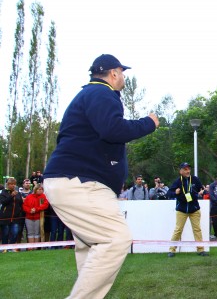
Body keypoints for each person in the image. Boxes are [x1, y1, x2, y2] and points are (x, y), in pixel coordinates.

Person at [43, 54, 160, 298]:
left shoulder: (90, 95)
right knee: (116, 239)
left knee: (91, 247)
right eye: (122, 72)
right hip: (80, 183)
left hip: (71, 180)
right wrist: (149, 123)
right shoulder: (101, 92)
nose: (124, 77)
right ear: (114, 73)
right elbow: (113, 129)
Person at [167, 162, 208, 257]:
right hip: (181, 210)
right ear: (180, 171)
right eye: (185, 169)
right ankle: (171, 250)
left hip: (194, 209)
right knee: (178, 230)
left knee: (197, 230)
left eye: (188, 169)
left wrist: (202, 191)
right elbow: (169, 193)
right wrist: (175, 193)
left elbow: (202, 189)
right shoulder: (177, 181)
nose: (188, 171)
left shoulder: (195, 179)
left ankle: (200, 250)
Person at [0, 177, 24, 251]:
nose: (13, 186)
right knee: (5, 234)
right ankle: (4, 248)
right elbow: (3, 202)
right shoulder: (3, 192)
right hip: (5, 218)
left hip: (16, 218)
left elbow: (20, 203)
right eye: (11, 184)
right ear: (8, 184)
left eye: (14, 184)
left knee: (15, 233)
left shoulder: (18, 193)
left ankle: (11, 248)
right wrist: (11, 196)